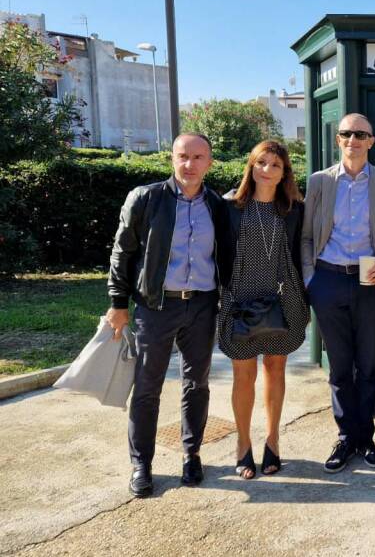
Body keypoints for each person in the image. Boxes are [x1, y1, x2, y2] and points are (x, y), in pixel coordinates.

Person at [105, 133, 225, 497]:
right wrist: (118, 303)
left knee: (197, 383)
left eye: (198, 157)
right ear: (171, 158)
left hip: (202, 305)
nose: (189, 164)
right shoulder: (145, 198)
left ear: (209, 162)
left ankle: (192, 453)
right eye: (183, 156)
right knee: (147, 387)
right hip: (155, 307)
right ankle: (141, 462)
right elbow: (122, 253)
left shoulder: (217, 206)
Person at [301, 113, 375, 473]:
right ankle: (347, 436)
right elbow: (305, 237)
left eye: (361, 134)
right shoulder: (319, 182)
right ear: (338, 140)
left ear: (371, 141)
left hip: (370, 282)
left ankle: (366, 438)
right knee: (340, 367)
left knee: (368, 365)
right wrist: (310, 279)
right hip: (328, 280)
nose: (353, 140)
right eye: (346, 133)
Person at [216, 140, 308, 479]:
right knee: (244, 373)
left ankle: (272, 441)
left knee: (276, 368)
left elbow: (302, 252)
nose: (267, 170)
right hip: (239, 298)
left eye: (275, 165)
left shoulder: (294, 208)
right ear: (251, 166)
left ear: (285, 172)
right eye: (261, 162)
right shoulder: (229, 206)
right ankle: (243, 444)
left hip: (283, 296)